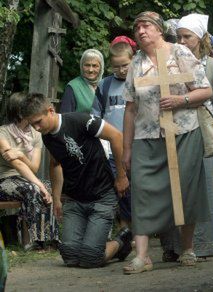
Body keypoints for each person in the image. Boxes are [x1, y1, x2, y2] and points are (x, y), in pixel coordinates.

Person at [122, 11, 212, 274]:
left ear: (159, 30)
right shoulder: (135, 63)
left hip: (183, 132)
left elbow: (205, 90)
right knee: (142, 191)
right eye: (137, 27)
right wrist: (126, 149)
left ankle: (188, 249)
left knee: (185, 188)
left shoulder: (180, 53)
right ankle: (142, 256)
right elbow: (130, 109)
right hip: (146, 137)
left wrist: (180, 100)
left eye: (146, 26)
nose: (140, 31)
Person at [21, 93, 132, 268]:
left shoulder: (81, 120)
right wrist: (56, 198)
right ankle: (93, 246)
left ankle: (120, 242)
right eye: (32, 124)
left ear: (50, 110)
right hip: (75, 198)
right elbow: (55, 163)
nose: (36, 128)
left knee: (90, 258)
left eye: (38, 121)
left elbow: (116, 136)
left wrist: (121, 176)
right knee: (70, 257)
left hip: (102, 195)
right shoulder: (47, 136)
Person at [174, 13, 213, 259]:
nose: (182, 41)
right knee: (179, 187)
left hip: (205, 131)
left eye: (187, 36)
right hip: (177, 131)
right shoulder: (171, 63)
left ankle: (204, 245)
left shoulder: (212, 66)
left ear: (201, 38)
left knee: (204, 188)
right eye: (179, 36)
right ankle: (177, 246)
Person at [0, 92, 59, 250]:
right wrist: (38, 184)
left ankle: (51, 239)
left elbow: (34, 167)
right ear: (20, 112)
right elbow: (18, 166)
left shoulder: (35, 133)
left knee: (50, 186)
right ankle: (31, 241)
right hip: (4, 180)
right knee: (33, 189)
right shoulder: (2, 133)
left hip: (27, 178)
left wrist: (20, 154)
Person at [91, 36, 136, 228]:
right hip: (112, 148)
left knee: (140, 188)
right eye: (116, 66)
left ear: (133, 60)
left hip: (137, 144)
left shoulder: (139, 81)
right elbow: (96, 115)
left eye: (125, 65)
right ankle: (125, 228)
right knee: (122, 188)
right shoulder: (105, 85)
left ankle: (142, 229)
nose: (122, 70)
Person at [61, 49, 104, 113]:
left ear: (101, 67)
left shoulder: (105, 85)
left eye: (95, 66)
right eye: (87, 65)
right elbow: (65, 117)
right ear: (81, 66)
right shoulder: (73, 87)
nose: (90, 70)